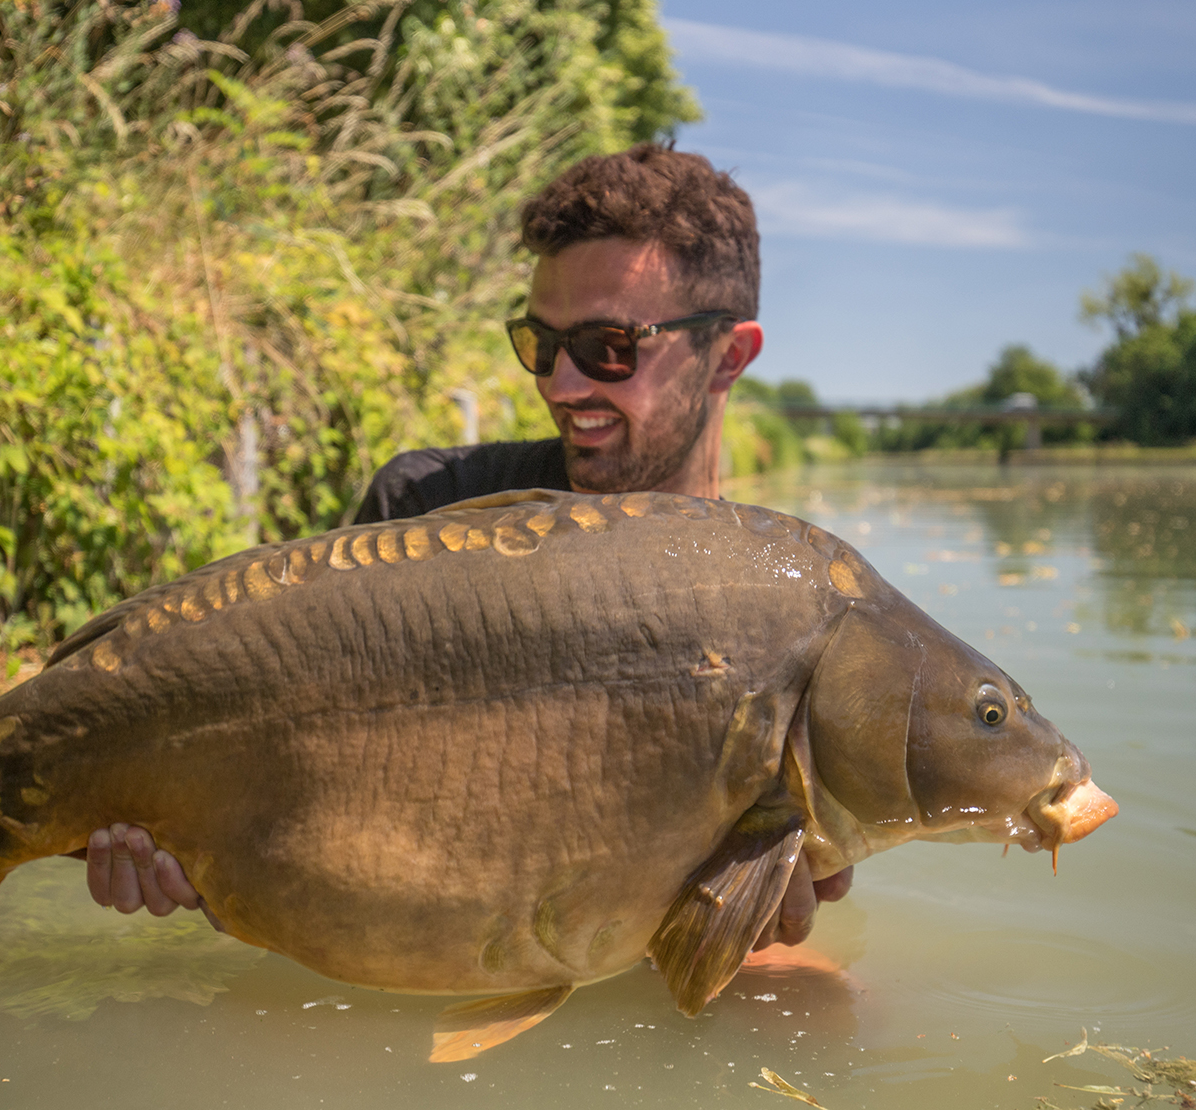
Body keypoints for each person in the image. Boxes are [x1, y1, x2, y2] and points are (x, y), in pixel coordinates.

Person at [83, 143, 852, 950]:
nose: (561, 385)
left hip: (622, 965)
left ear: (728, 355)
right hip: (401, 975)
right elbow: (295, 810)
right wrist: (197, 856)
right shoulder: (421, 514)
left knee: (815, 1000)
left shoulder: (782, 627)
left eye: (609, 348)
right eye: (541, 343)